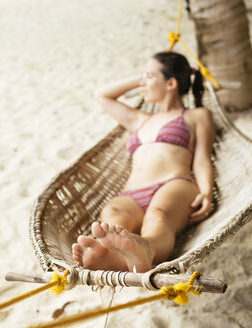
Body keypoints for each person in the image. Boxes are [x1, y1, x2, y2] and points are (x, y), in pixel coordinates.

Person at [72, 51, 215, 273]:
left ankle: (146, 249)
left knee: (158, 217)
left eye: (149, 77)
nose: (142, 84)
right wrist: (145, 77)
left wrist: (206, 192)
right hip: (132, 194)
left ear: (171, 83)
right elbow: (101, 95)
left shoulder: (197, 115)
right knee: (112, 214)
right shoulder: (140, 119)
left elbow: (202, 160)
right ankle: (114, 255)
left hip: (173, 184)